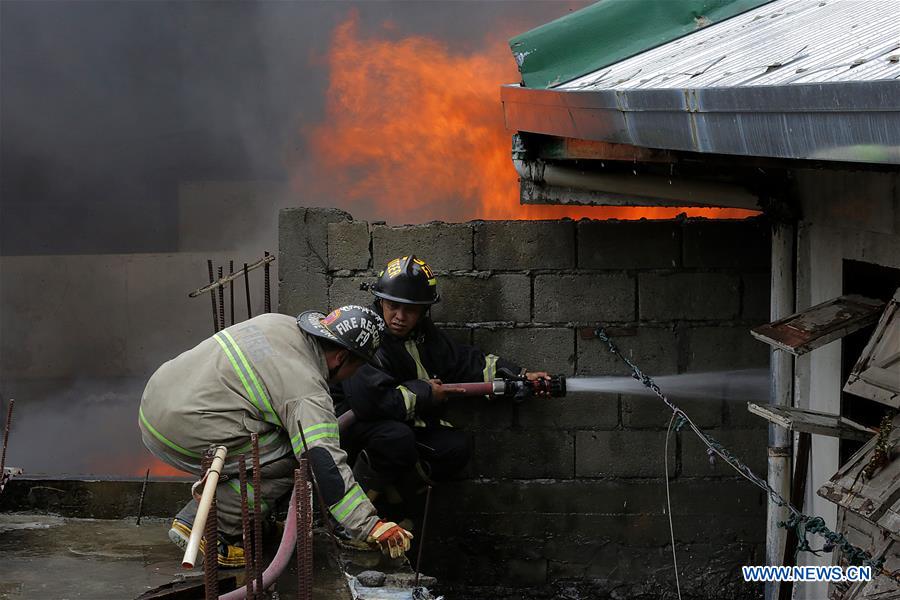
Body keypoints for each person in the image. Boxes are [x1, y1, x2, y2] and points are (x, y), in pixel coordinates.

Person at [138, 305, 413, 567]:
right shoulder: (308, 391)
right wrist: (370, 526)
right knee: (297, 457)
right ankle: (214, 524)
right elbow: (324, 463)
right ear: (342, 358)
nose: (356, 374)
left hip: (154, 403)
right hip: (182, 431)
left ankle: (242, 517)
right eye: (359, 366)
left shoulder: (280, 323)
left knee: (278, 438)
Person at [337, 256, 550, 519]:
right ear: (380, 301)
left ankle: (392, 499)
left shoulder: (424, 336)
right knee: (396, 439)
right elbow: (371, 402)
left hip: (401, 425)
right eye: (392, 306)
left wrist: (519, 376)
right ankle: (354, 514)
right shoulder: (366, 334)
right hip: (356, 429)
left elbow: (463, 361)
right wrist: (427, 393)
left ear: (423, 311)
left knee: (453, 447)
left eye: (410, 310)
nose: (400, 317)